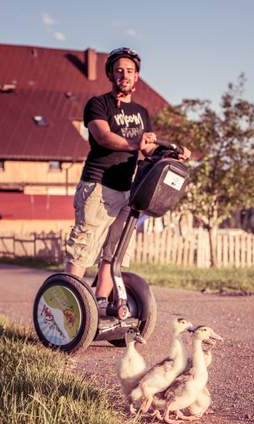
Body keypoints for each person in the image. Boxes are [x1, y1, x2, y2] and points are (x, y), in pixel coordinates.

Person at [65, 47, 190, 314]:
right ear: (111, 74)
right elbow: (103, 136)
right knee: (83, 251)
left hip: (127, 191)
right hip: (99, 186)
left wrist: (176, 153)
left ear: (137, 77)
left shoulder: (142, 112)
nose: (124, 75)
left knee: (114, 253)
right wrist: (136, 143)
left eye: (130, 71)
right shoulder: (99, 104)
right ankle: (68, 309)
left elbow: (149, 148)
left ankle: (99, 306)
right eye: (119, 70)